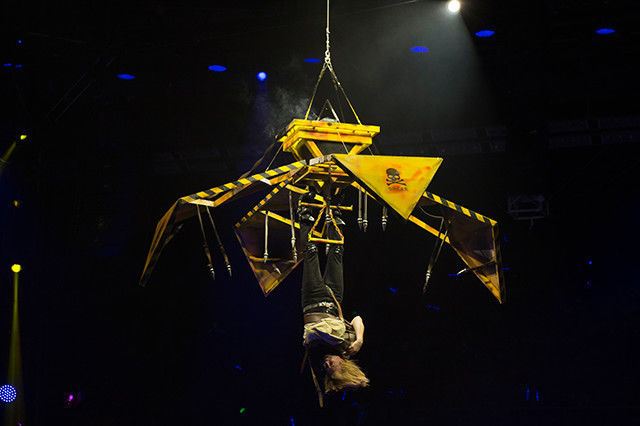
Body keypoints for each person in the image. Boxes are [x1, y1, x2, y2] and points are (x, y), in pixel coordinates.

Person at [298, 189, 369, 405]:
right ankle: (334, 216)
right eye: (334, 368)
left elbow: (315, 333)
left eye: (327, 370)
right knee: (336, 253)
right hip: (333, 298)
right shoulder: (349, 347)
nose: (327, 366)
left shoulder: (316, 355)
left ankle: (305, 211)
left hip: (313, 300)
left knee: (311, 253)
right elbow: (356, 316)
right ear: (344, 364)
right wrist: (359, 339)